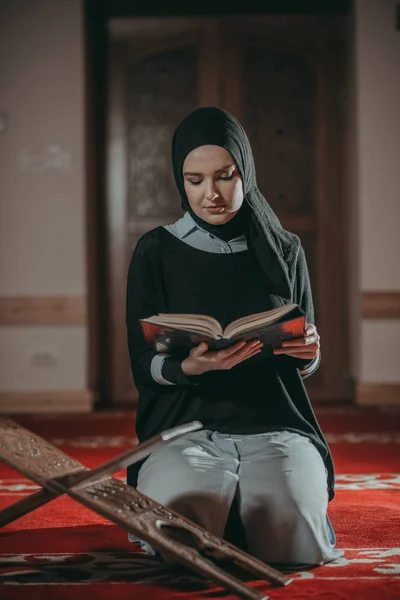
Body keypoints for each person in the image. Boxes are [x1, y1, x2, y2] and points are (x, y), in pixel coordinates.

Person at [125, 106, 342, 568]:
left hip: (275, 422)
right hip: (185, 427)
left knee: (292, 531)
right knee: (180, 527)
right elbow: (142, 361)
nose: (211, 195)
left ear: (245, 171)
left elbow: (304, 359)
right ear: (179, 181)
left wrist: (310, 354)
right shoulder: (155, 251)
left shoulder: (285, 249)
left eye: (224, 176)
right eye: (194, 180)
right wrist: (187, 367)